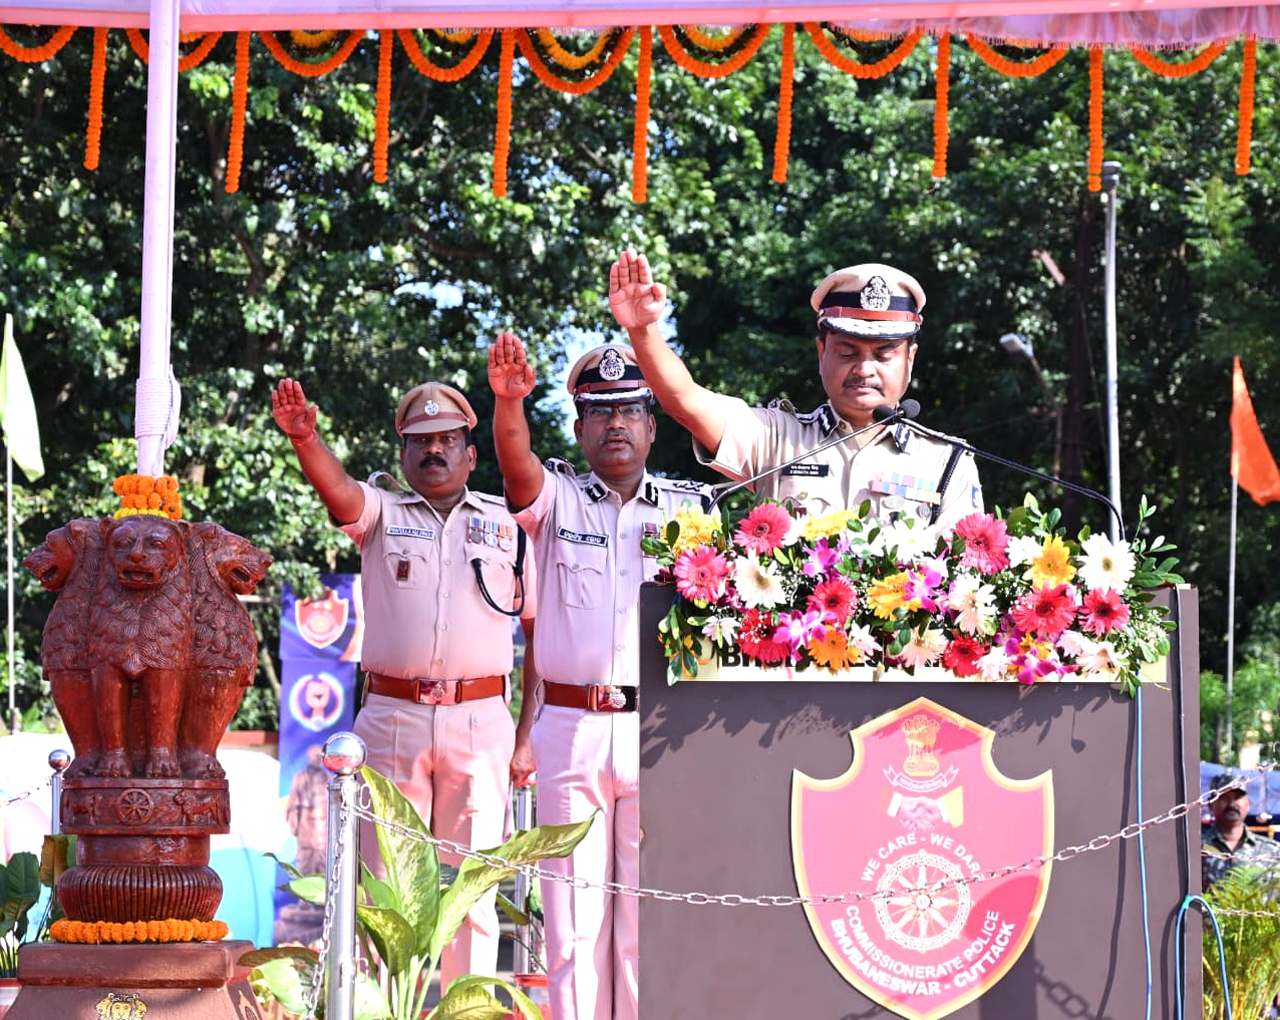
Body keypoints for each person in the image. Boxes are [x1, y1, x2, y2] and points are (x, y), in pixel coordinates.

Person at [271, 377, 536, 991]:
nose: (434, 450)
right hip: (393, 718)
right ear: (404, 454)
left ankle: (468, 1008)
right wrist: (306, 440)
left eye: (448, 440)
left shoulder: (510, 526)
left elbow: (539, 640)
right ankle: (383, 1007)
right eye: (421, 441)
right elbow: (339, 492)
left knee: (472, 891)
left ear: (471, 453)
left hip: (481, 720)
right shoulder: (381, 512)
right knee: (385, 893)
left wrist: (526, 736)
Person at [487, 331, 708, 1020]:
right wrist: (508, 403)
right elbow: (516, 465)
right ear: (580, 429)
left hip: (660, 731)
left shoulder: (692, 510)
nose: (616, 424)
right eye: (600, 412)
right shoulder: (555, 499)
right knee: (573, 921)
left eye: (630, 410)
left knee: (646, 921)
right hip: (572, 726)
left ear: (652, 426)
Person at [606, 249, 983, 530]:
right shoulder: (776, 438)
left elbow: (964, 577)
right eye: (847, 352)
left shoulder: (947, 461)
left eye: (884, 354)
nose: (864, 369)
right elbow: (685, 402)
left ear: (910, 359)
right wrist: (642, 330)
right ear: (822, 353)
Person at [1202, 770, 1280, 891]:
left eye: (1237, 797)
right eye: (1224, 797)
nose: (1231, 803)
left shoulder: (1271, 851)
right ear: (1210, 805)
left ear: (1248, 804)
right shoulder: (1197, 848)